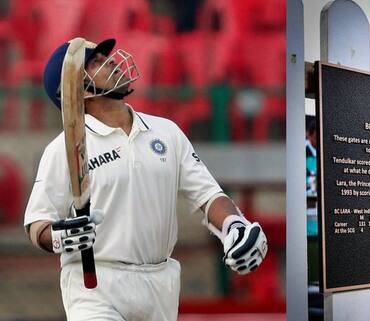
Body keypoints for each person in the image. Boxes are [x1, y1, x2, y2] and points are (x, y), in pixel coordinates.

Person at [23, 38, 268, 321]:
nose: (112, 61)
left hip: (160, 283)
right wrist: (60, 236)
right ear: (75, 88)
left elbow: (208, 194)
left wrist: (233, 225)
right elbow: (37, 224)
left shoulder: (166, 132)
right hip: (95, 287)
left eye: (107, 56)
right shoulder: (63, 148)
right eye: (96, 62)